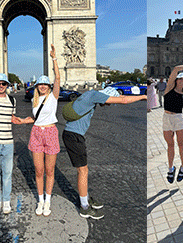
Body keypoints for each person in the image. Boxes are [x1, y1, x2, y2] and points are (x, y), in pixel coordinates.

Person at [62, 86, 145, 219]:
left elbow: (121, 98)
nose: (108, 105)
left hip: (73, 135)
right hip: (73, 137)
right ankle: (84, 207)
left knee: (84, 170)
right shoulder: (96, 96)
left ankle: (86, 198)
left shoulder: (91, 94)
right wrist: (143, 96)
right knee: (82, 171)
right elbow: (123, 101)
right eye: (109, 102)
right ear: (107, 96)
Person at [0, 66, 30, 215]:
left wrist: (23, 120)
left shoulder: (12, 100)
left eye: (4, 84)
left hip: (8, 142)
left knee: (7, 174)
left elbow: (12, 118)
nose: (1, 86)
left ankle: (6, 201)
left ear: (8, 85)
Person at [23, 44, 62, 216]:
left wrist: (54, 58)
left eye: (46, 84)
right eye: (41, 84)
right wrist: (23, 120)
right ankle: (40, 200)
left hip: (51, 133)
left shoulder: (53, 97)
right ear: (37, 86)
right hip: (36, 133)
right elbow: (36, 117)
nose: (43, 86)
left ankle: (48, 200)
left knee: (49, 170)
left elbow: (58, 79)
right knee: (38, 170)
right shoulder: (35, 100)